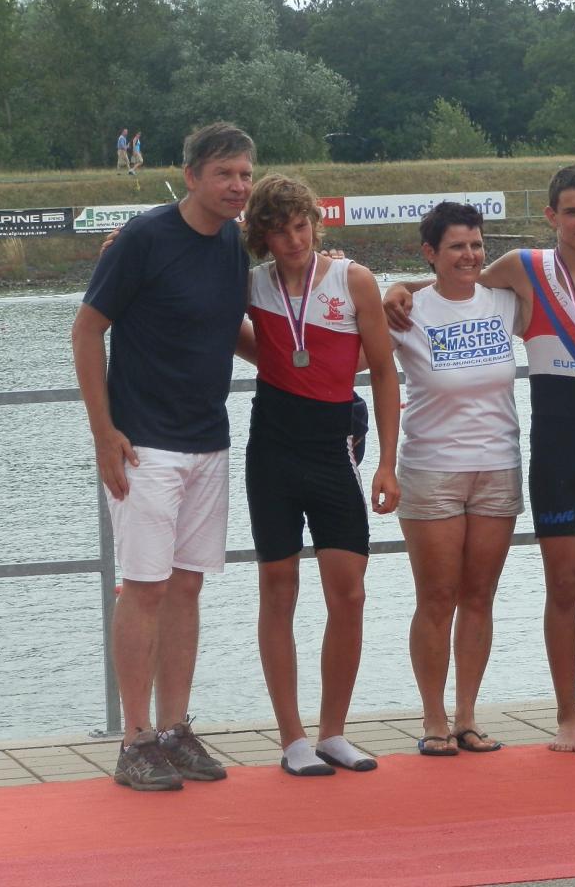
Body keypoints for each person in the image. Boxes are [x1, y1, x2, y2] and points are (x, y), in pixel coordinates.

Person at [386, 165, 575, 753]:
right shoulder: (525, 271)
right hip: (554, 458)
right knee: (563, 585)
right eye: (572, 211)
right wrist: (398, 288)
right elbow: (455, 281)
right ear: (551, 216)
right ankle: (567, 716)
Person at [72, 121, 255, 791]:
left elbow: (230, 328)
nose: (236, 186)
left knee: (187, 587)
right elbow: (86, 331)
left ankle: (175, 730)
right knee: (144, 587)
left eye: (245, 174)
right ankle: (135, 740)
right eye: (223, 174)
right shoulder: (145, 238)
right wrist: (103, 433)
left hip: (208, 440)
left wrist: (312, 366)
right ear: (191, 177)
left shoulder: (233, 243)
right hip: (145, 443)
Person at [243, 173, 401, 776]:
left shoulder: (352, 279)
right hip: (272, 451)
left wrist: (387, 461)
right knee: (278, 588)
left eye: (302, 225)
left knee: (350, 592)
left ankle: (333, 732)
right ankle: (293, 739)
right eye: (280, 231)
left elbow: (383, 372)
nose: (295, 240)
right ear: (263, 236)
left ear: (315, 222)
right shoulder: (251, 284)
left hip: (334, 449)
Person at [389, 202, 528, 756]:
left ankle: (467, 716)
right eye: (456, 247)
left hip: (498, 466)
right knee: (437, 596)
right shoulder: (408, 311)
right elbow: (357, 358)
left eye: (476, 244)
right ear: (430, 252)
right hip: (432, 469)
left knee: (479, 596)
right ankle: (432, 719)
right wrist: (395, 288)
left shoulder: (504, 300)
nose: (469, 256)